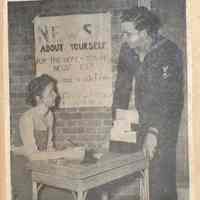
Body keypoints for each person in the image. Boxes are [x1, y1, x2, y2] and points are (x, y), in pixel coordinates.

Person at [112, 6, 184, 200]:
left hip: (166, 118)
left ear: (144, 33)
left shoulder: (169, 51)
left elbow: (170, 99)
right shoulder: (127, 51)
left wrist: (154, 132)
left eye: (128, 33)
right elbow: (121, 90)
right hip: (142, 115)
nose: (124, 38)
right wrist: (118, 125)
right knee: (142, 169)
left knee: (161, 174)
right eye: (123, 33)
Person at [11, 74, 85, 200]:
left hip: (40, 167)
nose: (56, 95)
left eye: (54, 91)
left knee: (68, 195)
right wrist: (65, 153)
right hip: (23, 170)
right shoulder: (27, 118)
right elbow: (33, 155)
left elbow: (49, 149)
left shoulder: (49, 115)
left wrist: (68, 153)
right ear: (38, 98)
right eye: (51, 92)